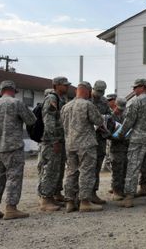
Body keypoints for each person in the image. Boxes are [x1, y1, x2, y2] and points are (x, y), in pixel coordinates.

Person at [0, 80, 36, 220]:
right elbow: (31, 120)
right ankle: (11, 209)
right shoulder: (16, 103)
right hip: (13, 147)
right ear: (13, 90)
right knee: (14, 177)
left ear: (1, 91)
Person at [114, 79, 146, 208]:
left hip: (138, 140)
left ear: (143, 87)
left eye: (135, 87)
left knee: (133, 168)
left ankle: (129, 197)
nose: (134, 90)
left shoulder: (136, 102)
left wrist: (119, 134)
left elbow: (129, 121)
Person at [61, 81, 104, 213]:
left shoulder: (66, 107)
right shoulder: (87, 105)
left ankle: (69, 202)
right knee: (86, 172)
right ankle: (84, 202)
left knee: (71, 172)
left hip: (70, 144)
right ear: (88, 91)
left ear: (76, 91)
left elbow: (62, 124)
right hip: (86, 144)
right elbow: (99, 121)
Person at [38, 76, 70, 212]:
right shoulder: (52, 98)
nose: (67, 87)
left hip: (60, 140)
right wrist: (54, 140)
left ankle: (54, 195)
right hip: (52, 141)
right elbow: (49, 121)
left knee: (58, 169)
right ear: (56, 85)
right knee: (50, 170)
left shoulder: (61, 99)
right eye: (64, 85)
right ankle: (45, 199)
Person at [91, 80, 112, 205]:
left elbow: (109, 115)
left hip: (100, 137)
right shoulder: (87, 100)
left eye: (102, 92)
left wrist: (105, 119)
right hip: (88, 138)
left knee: (97, 166)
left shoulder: (104, 101)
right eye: (98, 91)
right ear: (93, 88)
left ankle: (93, 193)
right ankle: (81, 195)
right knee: (86, 167)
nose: (99, 94)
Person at [107, 97, 128, 201]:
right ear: (114, 106)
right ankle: (116, 191)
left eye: (122, 109)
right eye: (119, 109)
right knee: (117, 170)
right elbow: (107, 133)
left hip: (125, 146)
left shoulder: (125, 116)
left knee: (124, 170)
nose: (120, 111)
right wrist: (115, 135)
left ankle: (121, 190)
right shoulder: (110, 117)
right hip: (115, 147)